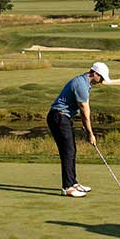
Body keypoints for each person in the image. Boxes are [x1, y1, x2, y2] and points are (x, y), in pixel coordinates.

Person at [47, 62, 110, 197]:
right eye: (102, 78)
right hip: (58, 117)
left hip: (63, 117)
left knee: (71, 150)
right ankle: (67, 188)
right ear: (95, 73)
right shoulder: (81, 84)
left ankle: (73, 183)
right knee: (68, 151)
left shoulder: (84, 83)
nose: (102, 81)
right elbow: (85, 112)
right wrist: (90, 134)